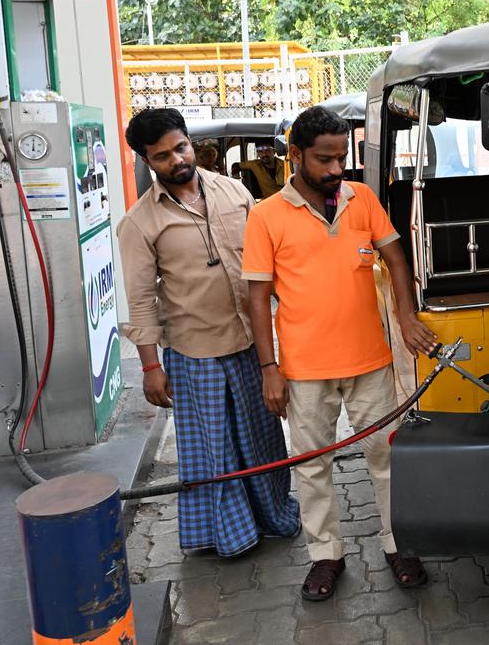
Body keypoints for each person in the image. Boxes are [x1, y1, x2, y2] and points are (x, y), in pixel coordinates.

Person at [242, 106, 439, 601]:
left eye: (342, 158)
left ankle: (400, 544)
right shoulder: (266, 217)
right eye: (324, 159)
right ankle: (325, 556)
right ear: (295, 155)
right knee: (311, 465)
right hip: (304, 370)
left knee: (387, 456)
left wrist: (407, 317)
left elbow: (396, 256)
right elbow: (256, 297)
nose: (336, 170)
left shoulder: (363, 198)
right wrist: (270, 368)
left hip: (370, 360)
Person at [117, 108, 299, 556]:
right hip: (193, 350)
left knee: (262, 439)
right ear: (146, 160)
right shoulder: (139, 223)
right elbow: (140, 300)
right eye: (161, 156)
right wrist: (150, 367)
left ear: (190, 144)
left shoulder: (235, 192)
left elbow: (271, 262)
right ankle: (232, 537)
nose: (176, 160)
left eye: (180, 147)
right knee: (213, 451)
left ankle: (274, 516)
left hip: (253, 344)